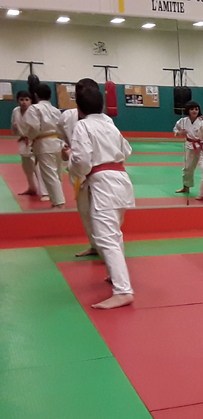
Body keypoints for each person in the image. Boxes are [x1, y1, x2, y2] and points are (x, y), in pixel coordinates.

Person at [62, 85, 136, 309]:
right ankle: (115, 277)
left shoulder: (83, 125)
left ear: (79, 108)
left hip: (103, 183)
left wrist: (70, 157)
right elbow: (127, 151)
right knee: (114, 233)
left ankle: (123, 291)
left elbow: (82, 161)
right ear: (102, 105)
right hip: (121, 179)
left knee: (106, 237)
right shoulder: (109, 123)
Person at [59, 78, 102, 258]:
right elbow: (62, 141)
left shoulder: (102, 120)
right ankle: (95, 245)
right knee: (84, 210)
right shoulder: (67, 117)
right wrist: (65, 153)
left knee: (101, 212)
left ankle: (105, 247)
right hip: (78, 169)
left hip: (98, 170)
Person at [23, 83, 65, 207]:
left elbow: (34, 127)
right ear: (50, 96)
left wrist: (30, 137)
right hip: (57, 142)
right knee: (57, 173)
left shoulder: (34, 108)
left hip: (44, 144)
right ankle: (57, 200)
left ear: (35, 95)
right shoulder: (56, 110)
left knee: (50, 175)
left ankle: (59, 203)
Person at [172, 101, 203, 195]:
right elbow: (176, 130)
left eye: (196, 109)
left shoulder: (202, 121)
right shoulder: (183, 121)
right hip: (189, 145)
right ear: (188, 110)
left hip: (202, 146)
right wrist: (180, 133)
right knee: (187, 167)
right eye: (192, 109)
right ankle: (186, 187)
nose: (194, 111)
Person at [11, 90, 41, 197]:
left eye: (26, 99)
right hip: (23, 141)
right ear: (17, 100)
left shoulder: (34, 111)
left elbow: (37, 127)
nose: (24, 102)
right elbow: (14, 130)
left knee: (37, 167)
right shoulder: (16, 111)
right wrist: (15, 129)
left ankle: (44, 191)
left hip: (34, 141)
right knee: (27, 167)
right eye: (21, 99)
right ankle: (32, 187)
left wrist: (33, 138)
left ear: (31, 101)